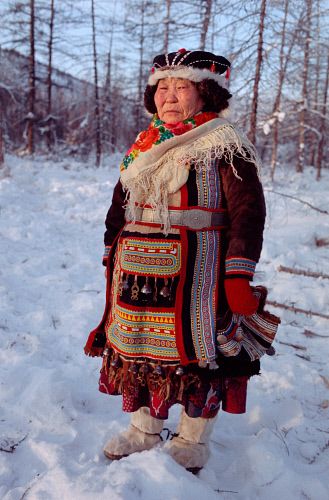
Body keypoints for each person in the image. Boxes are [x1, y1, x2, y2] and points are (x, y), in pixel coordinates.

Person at [84, 49, 279, 473]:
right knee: (138, 346)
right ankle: (143, 429)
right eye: (162, 87)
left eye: (181, 86)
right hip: (136, 274)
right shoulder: (144, 146)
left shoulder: (226, 145)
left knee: (196, 352)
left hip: (198, 275)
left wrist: (238, 273)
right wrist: (109, 250)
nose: (168, 96)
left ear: (205, 92)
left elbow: (248, 212)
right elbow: (120, 204)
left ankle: (192, 440)